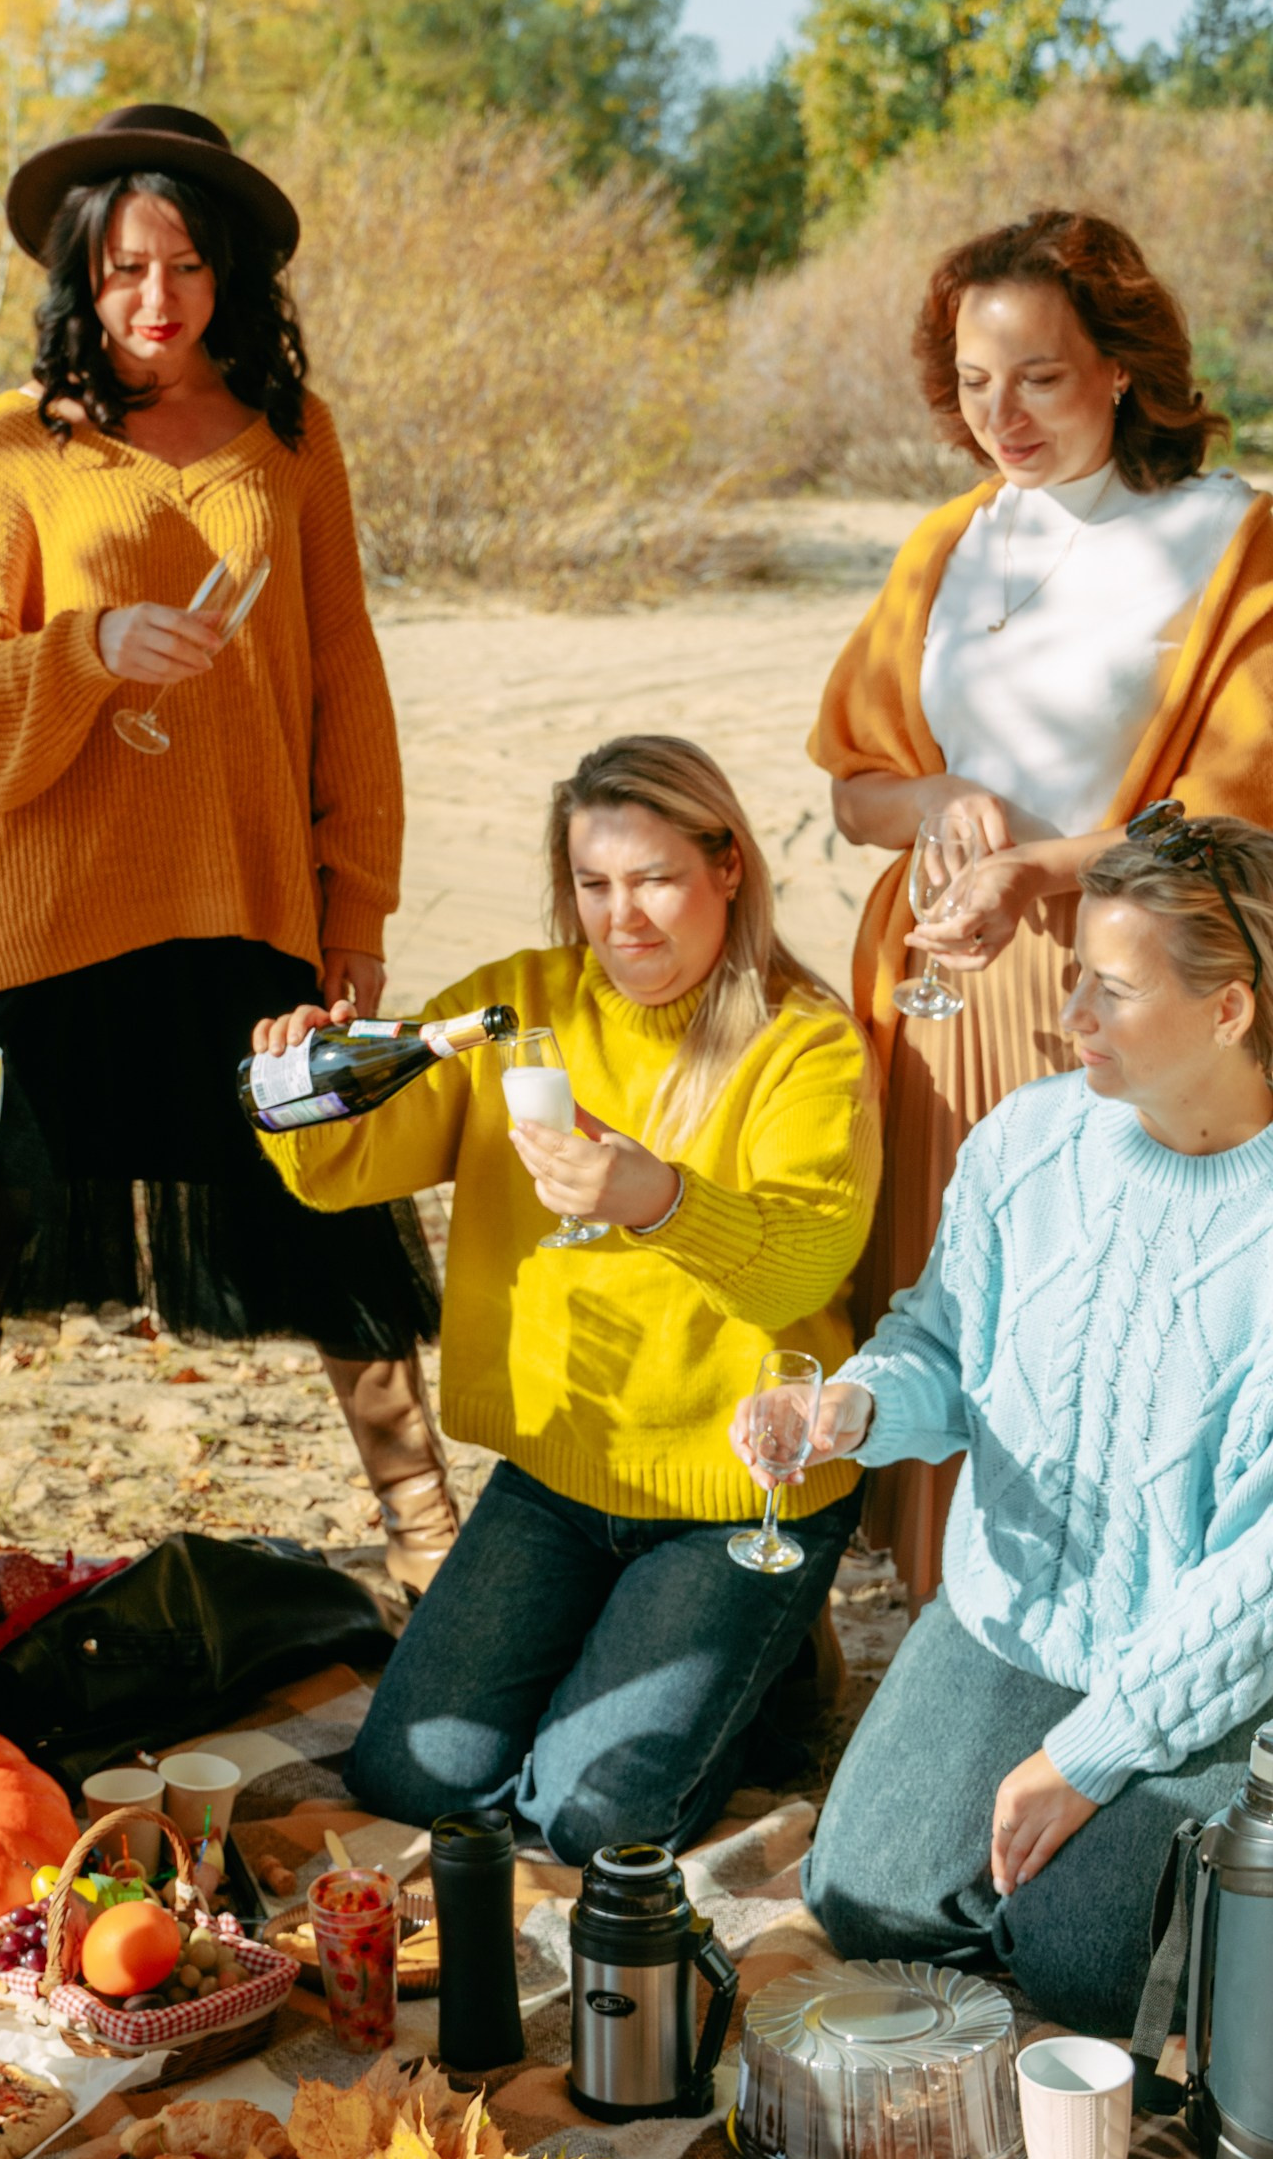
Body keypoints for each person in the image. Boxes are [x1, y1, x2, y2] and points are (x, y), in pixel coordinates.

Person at [0, 102, 457, 1594]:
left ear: (229, 276)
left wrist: (355, 907)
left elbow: (347, 679)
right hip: (47, 925)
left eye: (184, 267)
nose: (155, 302)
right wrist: (89, 649)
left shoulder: (295, 438)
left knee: (330, 1214)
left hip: (246, 907)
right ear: (80, 285)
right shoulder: (11, 445)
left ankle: (428, 1545)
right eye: (121, 273)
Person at [254, 737, 879, 1860]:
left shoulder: (806, 1043)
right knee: (407, 1776)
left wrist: (661, 1199)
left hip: (738, 1491)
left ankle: (768, 1660)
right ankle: (700, 1656)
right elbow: (349, 1167)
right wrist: (298, 1090)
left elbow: (801, 1268)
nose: (621, 916)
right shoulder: (516, 1009)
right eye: (594, 884)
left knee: (590, 1823)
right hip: (557, 1477)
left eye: (654, 879)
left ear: (728, 866)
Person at [811, 205, 1273, 1600]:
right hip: (937, 974)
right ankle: (944, 1596)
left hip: (1120, 979)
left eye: (1039, 377)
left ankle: (1083, 1607)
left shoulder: (1231, 535)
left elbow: (1235, 809)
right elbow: (854, 788)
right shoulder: (951, 541)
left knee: (1086, 1303)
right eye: (969, 382)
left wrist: (1036, 870)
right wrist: (943, 804)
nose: (999, 414)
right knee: (941, 1286)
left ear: (1122, 365)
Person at [800, 808, 1273, 2039]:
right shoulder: (1029, 1139)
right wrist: (857, 1406)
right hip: (1008, 1621)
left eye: (1110, 993)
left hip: (1206, 1664)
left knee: (1091, 1976)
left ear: (1231, 1011)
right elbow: (940, 1343)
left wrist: (1095, 1753)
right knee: (862, 1902)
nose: (1070, 1023)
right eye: (1074, 980)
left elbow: (1260, 1580)